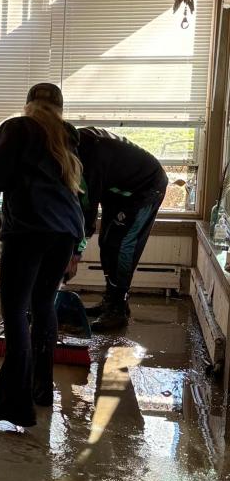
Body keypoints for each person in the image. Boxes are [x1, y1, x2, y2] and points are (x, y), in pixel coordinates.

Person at [0, 83, 84, 428]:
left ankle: (16, 405)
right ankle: (42, 389)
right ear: (59, 110)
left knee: (15, 312)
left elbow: (0, 178)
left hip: (28, 230)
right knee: (42, 305)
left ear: (28, 105)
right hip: (65, 232)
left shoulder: (17, 129)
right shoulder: (67, 136)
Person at [64, 128, 168, 332]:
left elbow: (87, 216)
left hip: (145, 187)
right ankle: (110, 301)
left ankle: (118, 309)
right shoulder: (70, 145)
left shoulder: (87, 161)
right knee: (107, 241)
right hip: (117, 189)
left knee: (123, 245)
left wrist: (75, 255)